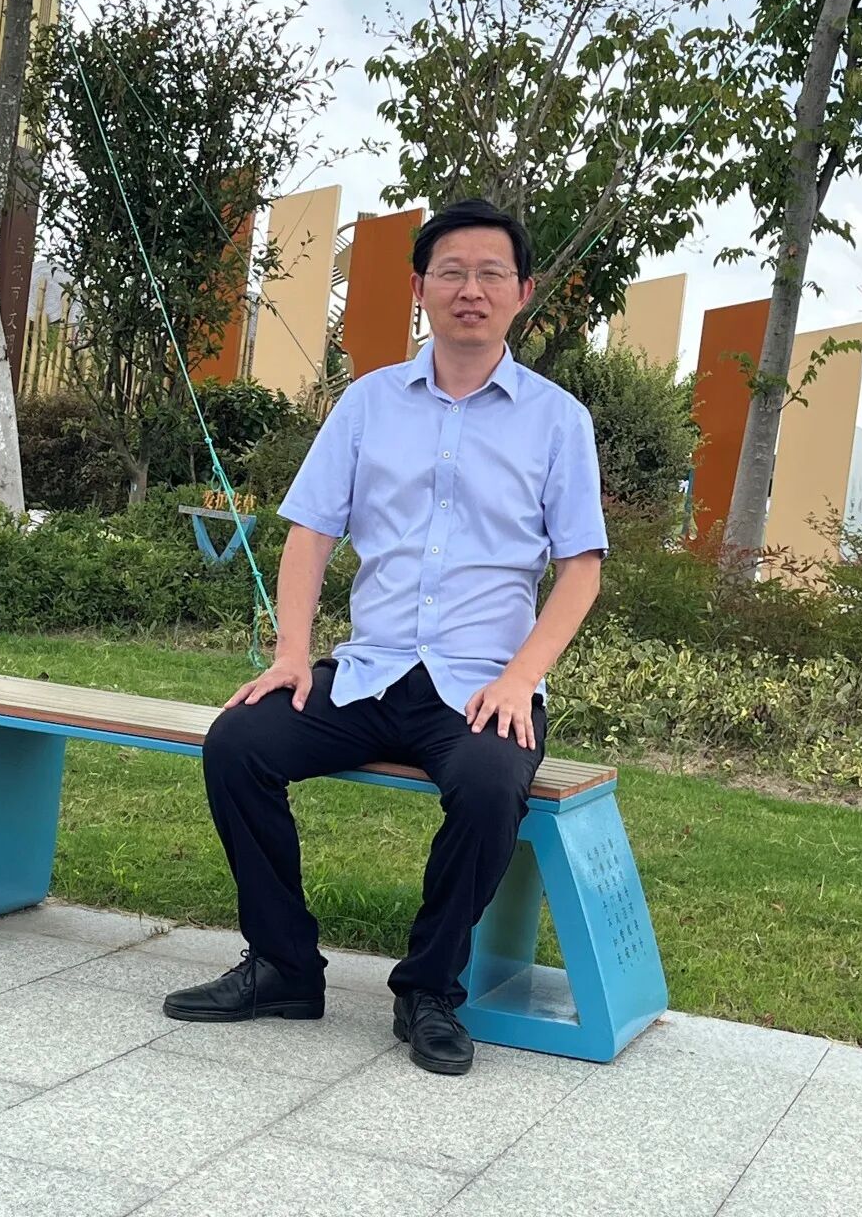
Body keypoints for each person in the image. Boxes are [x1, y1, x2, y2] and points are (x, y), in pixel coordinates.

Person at [163, 198, 608, 1076]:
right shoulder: (368, 403)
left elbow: (581, 570)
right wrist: (292, 654)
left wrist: (521, 680)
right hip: (368, 673)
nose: (470, 290)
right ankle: (285, 967)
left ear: (522, 292)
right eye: (452, 272)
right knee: (239, 743)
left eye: (491, 274)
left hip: (483, 683)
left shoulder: (559, 421)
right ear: (419, 288)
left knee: (490, 785)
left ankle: (430, 991)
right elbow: (309, 535)